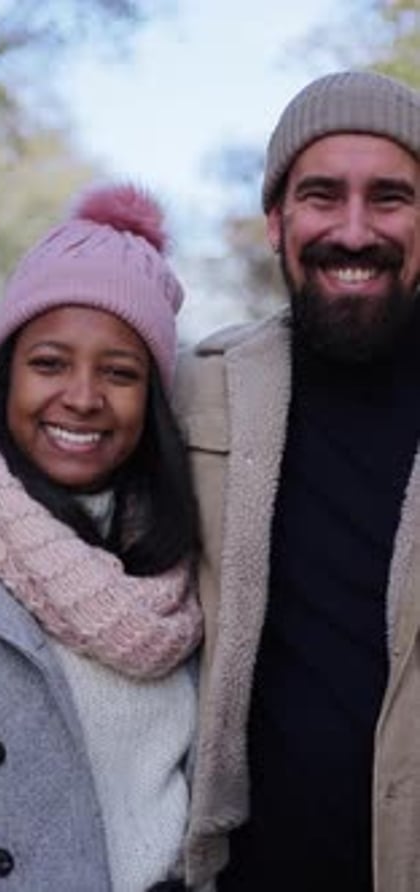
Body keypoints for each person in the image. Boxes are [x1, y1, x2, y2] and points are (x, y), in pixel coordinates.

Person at [174, 70, 420, 892]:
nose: (354, 231)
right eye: (322, 196)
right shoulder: (199, 389)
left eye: (389, 197)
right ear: (276, 222)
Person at [0, 183, 204, 892]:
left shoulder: (185, 559)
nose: (82, 397)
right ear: (5, 372)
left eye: (120, 373)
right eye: (49, 363)